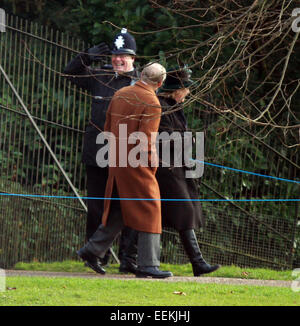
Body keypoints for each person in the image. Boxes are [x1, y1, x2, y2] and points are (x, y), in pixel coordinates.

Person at [77, 62, 173, 279]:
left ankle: (91, 251)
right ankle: (148, 265)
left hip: (117, 159)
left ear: (141, 75)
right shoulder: (152, 102)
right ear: (160, 83)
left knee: (119, 209)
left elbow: (108, 128)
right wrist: (151, 166)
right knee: (151, 208)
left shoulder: (120, 93)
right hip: (136, 164)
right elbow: (146, 141)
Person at [63, 28, 139, 272]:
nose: (118, 59)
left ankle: (129, 259)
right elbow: (70, 74)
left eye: (123, 56)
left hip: (127, 154)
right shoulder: (100, 77)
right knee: (96, 205)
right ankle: (95, 255)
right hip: (97, 151)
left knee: (127, 206)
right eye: (115, 55)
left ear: (133, 59)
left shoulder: (140, 84)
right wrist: (86, 56)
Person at [156, 66, 221, 276]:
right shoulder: (162, 107)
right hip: (166, 170)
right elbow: (164, 139)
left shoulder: (174, 106)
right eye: (186, 89)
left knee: (179, 212)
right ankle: (197, 262)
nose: (188, 93)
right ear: (177, 90)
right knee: (181, 211)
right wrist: (189, 140)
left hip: (178, 168)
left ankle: (197, 263)